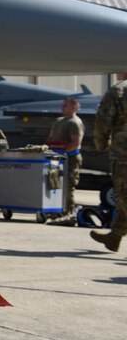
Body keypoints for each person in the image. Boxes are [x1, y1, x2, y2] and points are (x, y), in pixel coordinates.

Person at [91, 73, 127, 252]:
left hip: (124, 154)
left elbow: (103, 121)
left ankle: (115, 235)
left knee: (124, 196)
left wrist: (101, 144)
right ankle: (115, 236)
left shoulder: (119, 91)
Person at [45, 97, 84, 225]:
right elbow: (51, 138)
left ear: (74, 107)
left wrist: (63, 152)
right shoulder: (59, 121)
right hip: (56, 158)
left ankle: (68, 214)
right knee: (54, 184)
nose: (62, 108)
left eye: (66, 105)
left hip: (70, 158)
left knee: (68, 186)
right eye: (63, 105)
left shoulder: (75, 123)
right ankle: (56, 211)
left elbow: (76, 142)